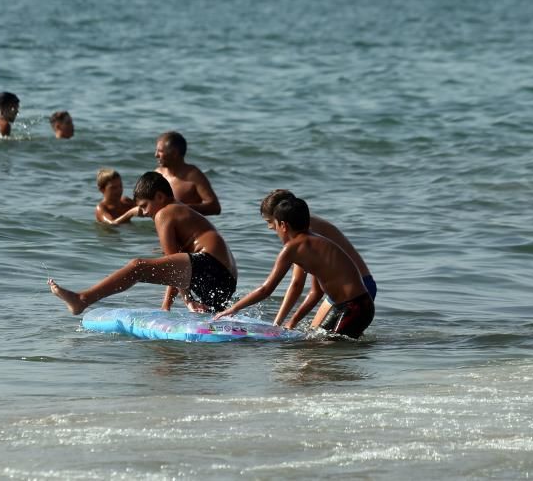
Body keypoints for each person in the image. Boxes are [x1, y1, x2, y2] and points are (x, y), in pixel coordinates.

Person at [50, 172, 237, 315]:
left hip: (211, 268)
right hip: (224, 281)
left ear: (159, 197)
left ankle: (82, 299)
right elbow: (177, 265)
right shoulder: (180, 210)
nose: (144, 213)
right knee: (145, 267)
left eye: (144, 206)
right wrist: (180, 302)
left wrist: (175, 304)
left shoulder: (165, 213)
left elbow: (173, 264)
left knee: (137, 266)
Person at [215, 196, 374, 339]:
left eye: (274, 225)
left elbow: (266, 289)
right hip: (356, 305)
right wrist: (292, 322)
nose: (274, 230)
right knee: (316, 346)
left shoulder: (292, 248)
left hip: (354, 307)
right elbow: (316, 292)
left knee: (325, 349)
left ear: (283, 225)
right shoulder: (314, 241)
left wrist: (233, 308)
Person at [260, 189, 376, 329]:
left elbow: (297, 284)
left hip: (357, 290)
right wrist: (287, 322)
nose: (270, 226)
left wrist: (277, 324)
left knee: (318, 343)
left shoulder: (303, 232)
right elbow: (314, 287)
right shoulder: (306, 224)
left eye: (270, 221)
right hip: (352, 289)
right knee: (317, 339)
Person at [154, 131, 221, 216]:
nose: (156, 155)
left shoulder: (193, 176)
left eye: (160, 151)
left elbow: (215, 207)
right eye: (156, 150)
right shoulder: (157, 174)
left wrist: (182, 208)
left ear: (174, 153)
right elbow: (145, 205)